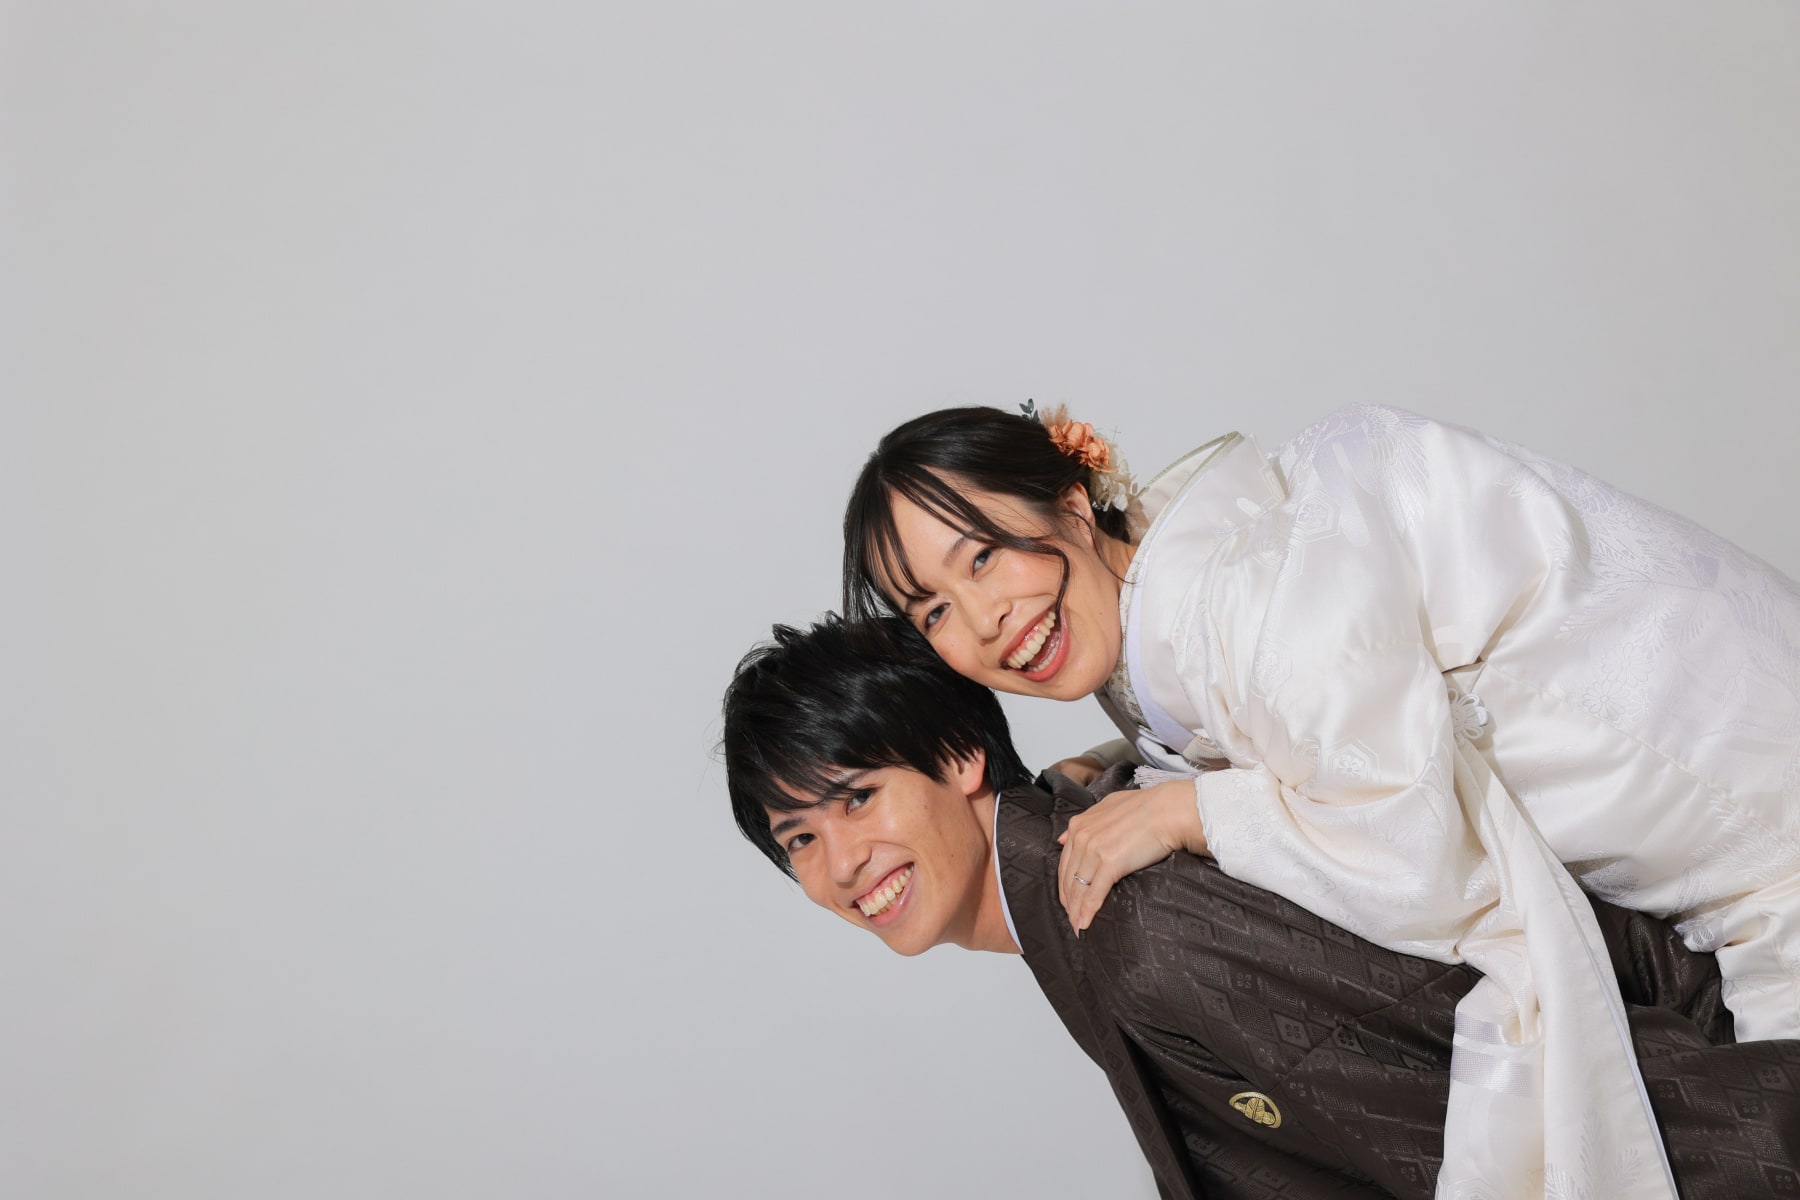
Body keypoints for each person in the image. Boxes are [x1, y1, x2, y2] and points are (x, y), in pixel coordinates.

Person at [840, 403, 1800, 1197]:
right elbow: (1303, 734)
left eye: (982, 556)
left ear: (1071, 504)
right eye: (935, 609)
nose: (984, 622)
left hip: (1772, 857)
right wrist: (1124, 773)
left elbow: (1422, 858)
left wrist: (1194, 813)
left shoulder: (1262, 594)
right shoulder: (1177, 603)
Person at [721, 615, 1800, 1200]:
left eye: (857, 799)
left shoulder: (1136, 927)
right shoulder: (1081, 854)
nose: (843, 864)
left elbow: (1465, 1111)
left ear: (961, 756)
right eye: (799, 840)